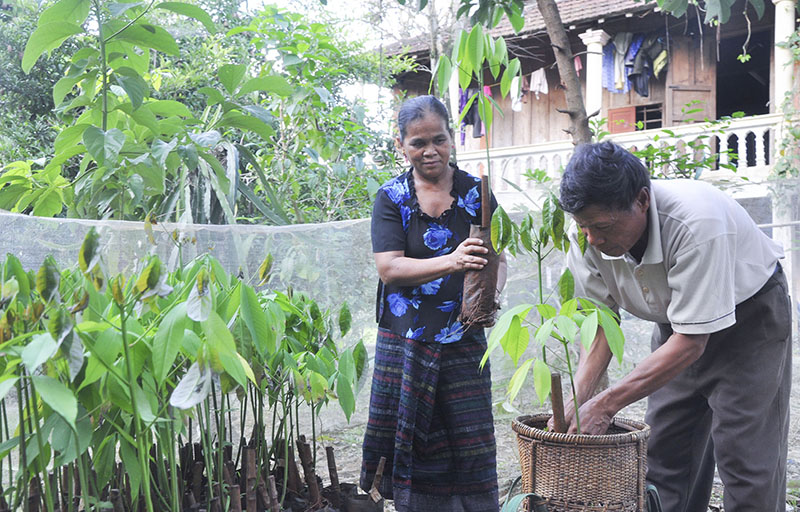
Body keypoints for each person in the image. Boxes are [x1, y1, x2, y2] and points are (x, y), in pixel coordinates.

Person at [555, 140, 791, 512]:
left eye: (602, 227)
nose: (594, 240)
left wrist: (607, 404)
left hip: (749, 324)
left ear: (642, 201)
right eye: (584, 227)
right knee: (663, 457)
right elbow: (600, 323)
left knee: (746, 462)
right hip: (676, 328)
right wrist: (580, 398)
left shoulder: (697, 223)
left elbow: (693, 342)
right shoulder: (586, 236)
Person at [360, 95, 507, 512]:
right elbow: (389, 269)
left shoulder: (477, 193)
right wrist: (453, 261)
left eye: (439, 140)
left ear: (451, 139)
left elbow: (496, 255)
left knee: (469, 434)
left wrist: (490, 296)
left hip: (463, 334)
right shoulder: (391, 198)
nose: (430, 151)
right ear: (400, 146)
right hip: (407, 338)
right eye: (417, 142)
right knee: (411, 433)